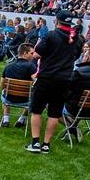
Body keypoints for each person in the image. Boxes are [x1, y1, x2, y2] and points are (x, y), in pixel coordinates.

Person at [25, 11, 82, 155]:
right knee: (54, 113)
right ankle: (46, 145)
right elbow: (76, 56)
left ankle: (35, 142)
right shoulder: (77, 38)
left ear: (57, 21)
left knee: (37, 110)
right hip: (64, 79)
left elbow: (36, 54)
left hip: (46, 77)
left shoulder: (51, 35)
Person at [0, 42, 36, 128]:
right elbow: (36, 81)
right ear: (24, 53)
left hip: (8, 98)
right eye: (31, 53)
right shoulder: (31, 66)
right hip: (26, 100)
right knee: (34, 94)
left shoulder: (8, 66)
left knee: (3, 92)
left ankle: (6, 119)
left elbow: (1, 84)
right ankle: (22, 119)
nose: (33, 55)